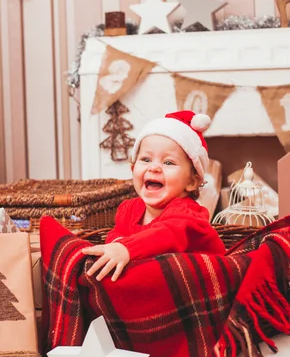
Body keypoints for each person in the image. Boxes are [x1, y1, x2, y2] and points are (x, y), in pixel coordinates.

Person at [82, 110, 226, 282]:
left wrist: (126, 248)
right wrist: (116, 243)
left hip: (200, 283)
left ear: (191, 182)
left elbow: (166, 234)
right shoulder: (129, 209)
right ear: (133, 168)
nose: (154, 168)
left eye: (168, 162)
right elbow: (116, 233)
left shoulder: (188, 214)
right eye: (146, 159)